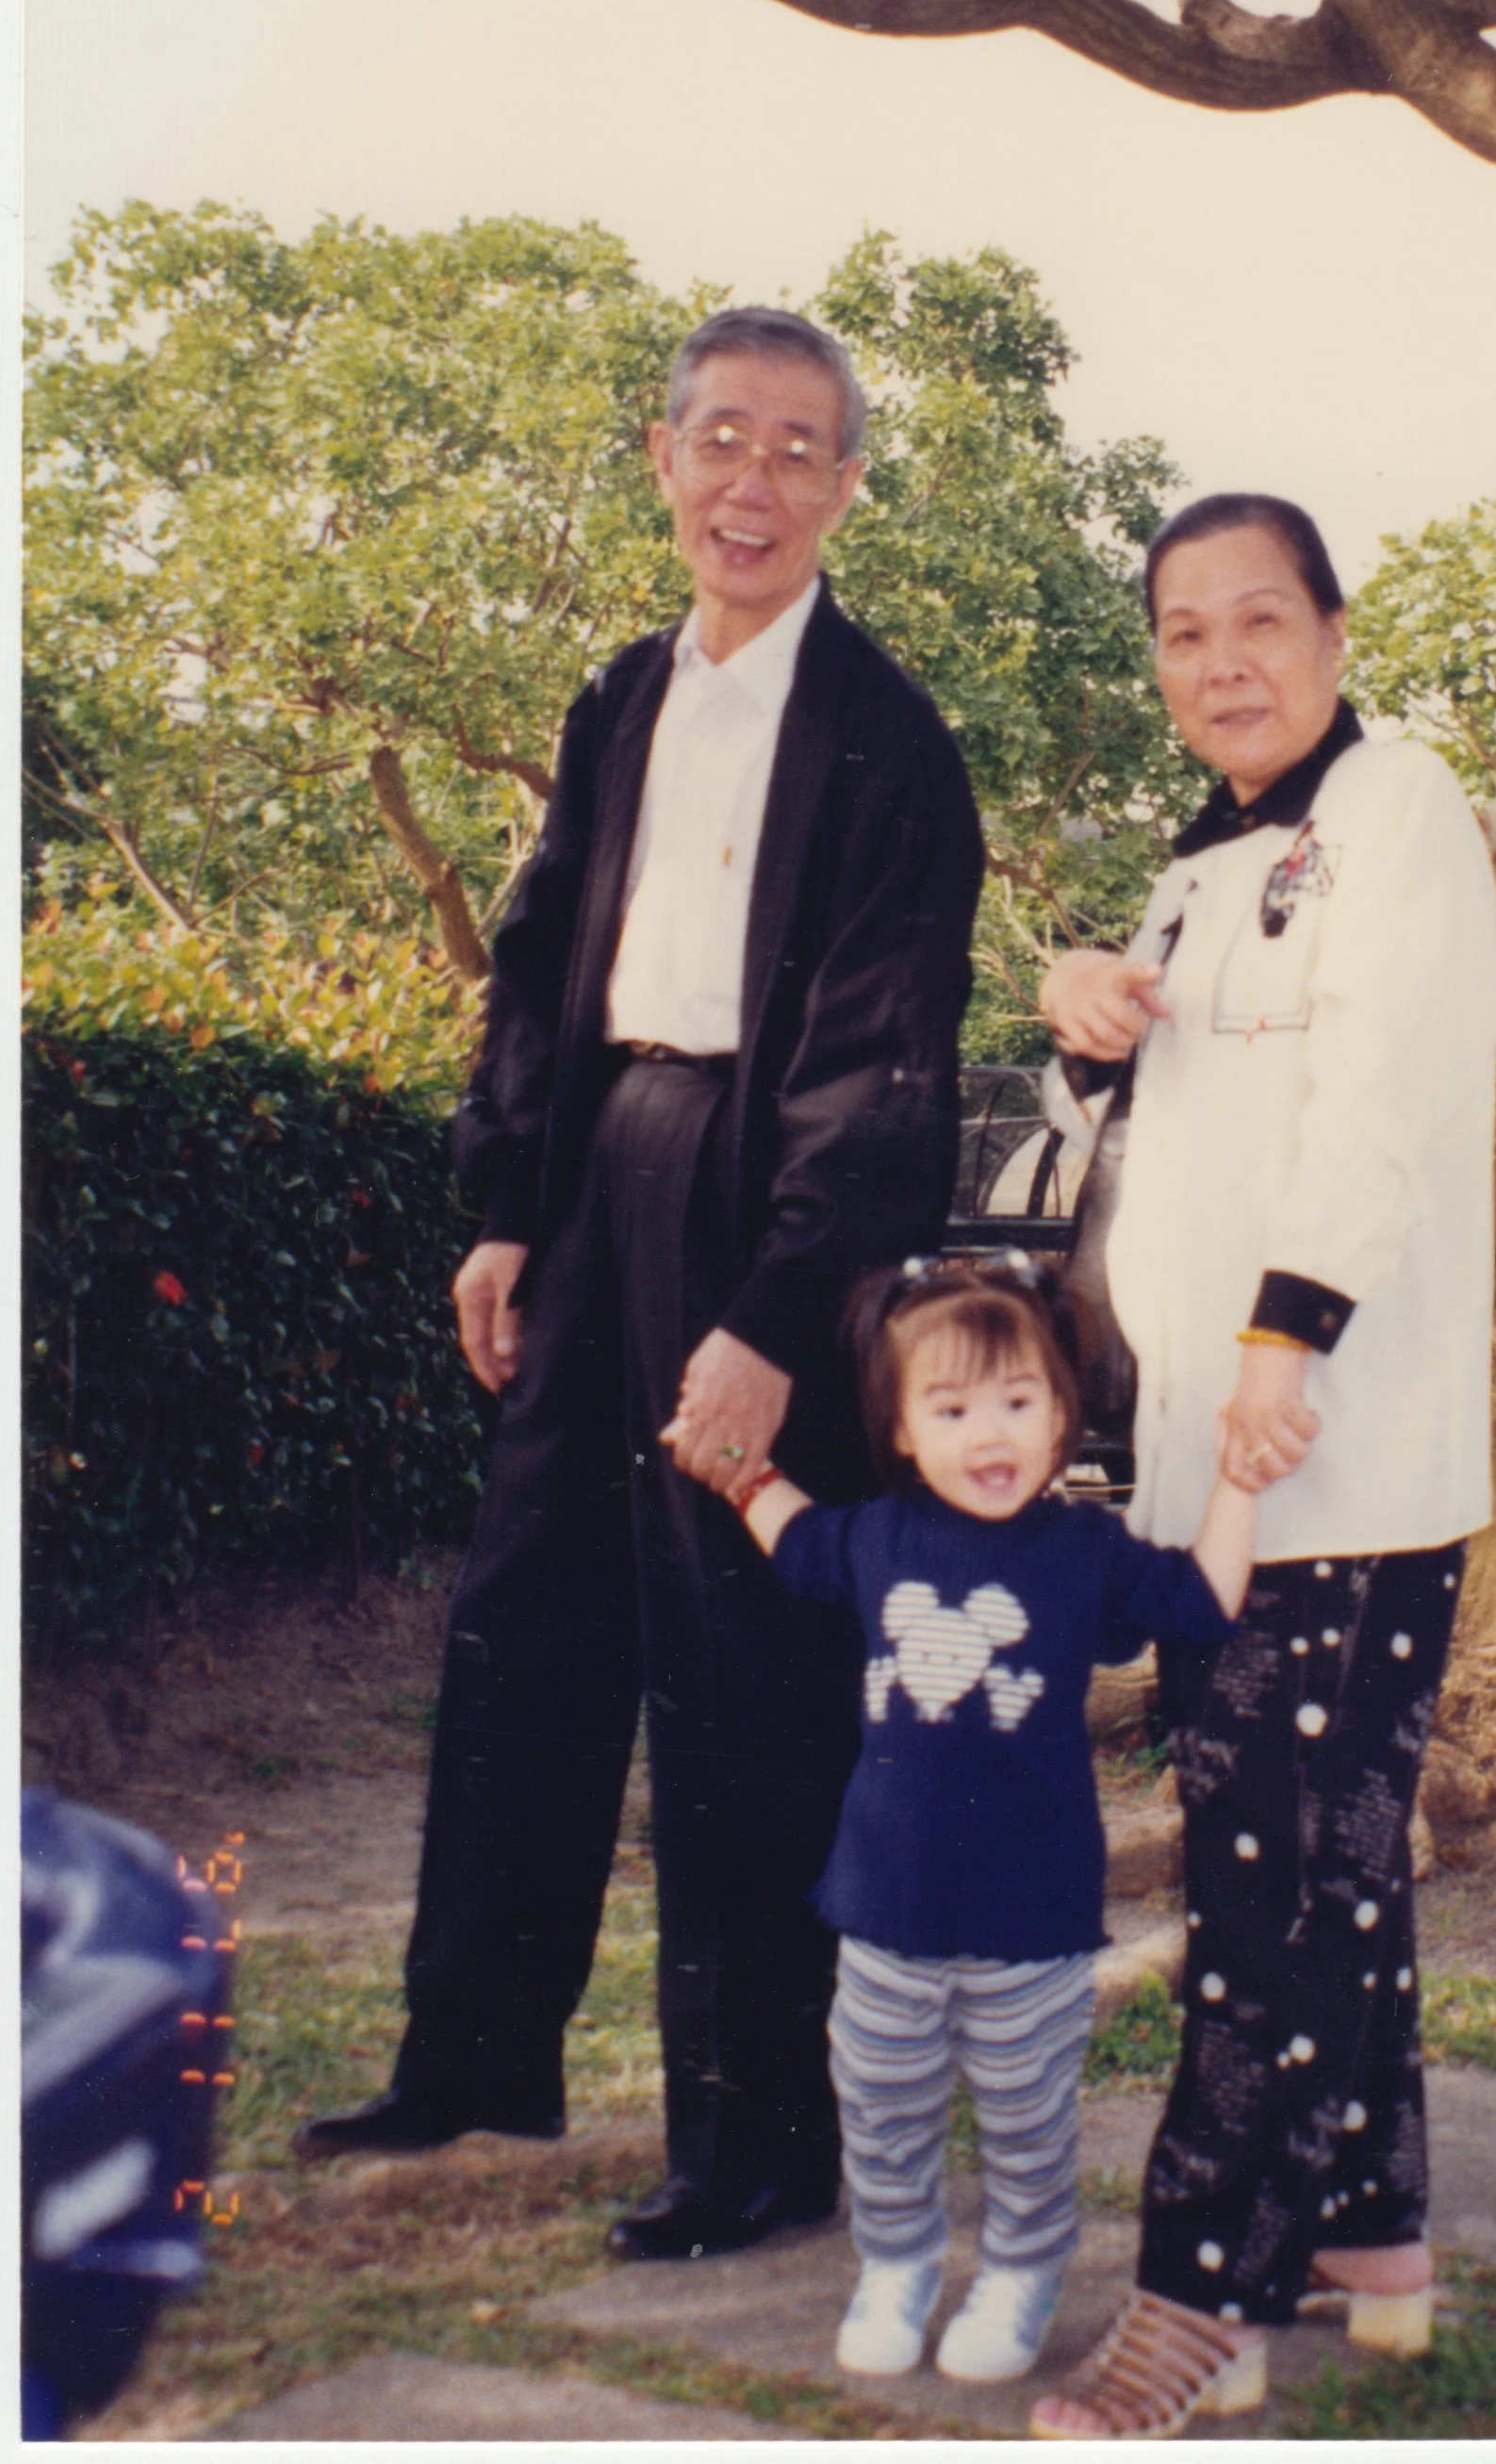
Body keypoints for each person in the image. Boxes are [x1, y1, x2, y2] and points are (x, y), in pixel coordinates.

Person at [295, 307, 986, 2270]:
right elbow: (539, 966)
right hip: (602, 1176)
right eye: (721, 440)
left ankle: (763, 2139)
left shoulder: (886, 740)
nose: (752, 483)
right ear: (665, 459)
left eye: (797, 449)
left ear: (848, 484)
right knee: (525, 1615)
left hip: (771, 1203)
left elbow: (885, 1063)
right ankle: (473, 2052)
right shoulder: (619, 699)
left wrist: (773, 1318)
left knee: (747, 1666)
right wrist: (508, 1207)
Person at [1027, 493, 1496, 2439]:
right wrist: (1078, 1018)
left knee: (1266, 1885)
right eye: (1181, 631)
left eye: (1257, 620)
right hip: (1201, 1457)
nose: (1220, 661)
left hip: (1330, 1446)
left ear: (1330, 629)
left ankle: (1199, 2299)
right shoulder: (1195, 862)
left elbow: (1382, 1096)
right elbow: (1151, 1120)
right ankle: (1367, 2238)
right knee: (1325, 1859)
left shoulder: (1398, 810)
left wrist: (1279, 1335)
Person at [720, 1254, 1256, 2387]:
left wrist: (1240, 1484)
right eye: (951, 1409)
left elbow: (1203, 1600)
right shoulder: (877, 1538)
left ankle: (1021, 2271)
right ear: (902, 1431)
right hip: (884, 1908)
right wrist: (733, 1468)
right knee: (882, 2102)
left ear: (1062, 1414)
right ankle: (897, 2264)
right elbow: (794, 1533)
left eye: (1018, 1401)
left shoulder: (1084, 1551)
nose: (989, 1434)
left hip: (1031, 1917)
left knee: (1025, 2115)